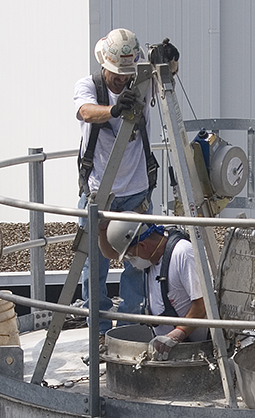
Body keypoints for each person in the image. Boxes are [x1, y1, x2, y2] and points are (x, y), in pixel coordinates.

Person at [73, 28, 151, 340]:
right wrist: (115, 110)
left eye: (126, 74)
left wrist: (169, 62)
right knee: (95, 267)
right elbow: (85, 111)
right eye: (117, 74)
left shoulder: (143, 84)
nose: (121, 80)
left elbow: (166, 77)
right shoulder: (88, 86)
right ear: (104, 64)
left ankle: (129, 329)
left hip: (136, 192)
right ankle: (100, 335)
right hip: (99, 192)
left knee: (138, 264)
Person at [103, 218, 207, 360]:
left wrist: (177, 334)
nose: (132, 262)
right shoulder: (152, 259)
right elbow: (108, 253)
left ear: (143, 246)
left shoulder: (183, 253)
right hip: (165, 348)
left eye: (131, 256)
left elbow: (203, 305)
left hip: (193, 351)